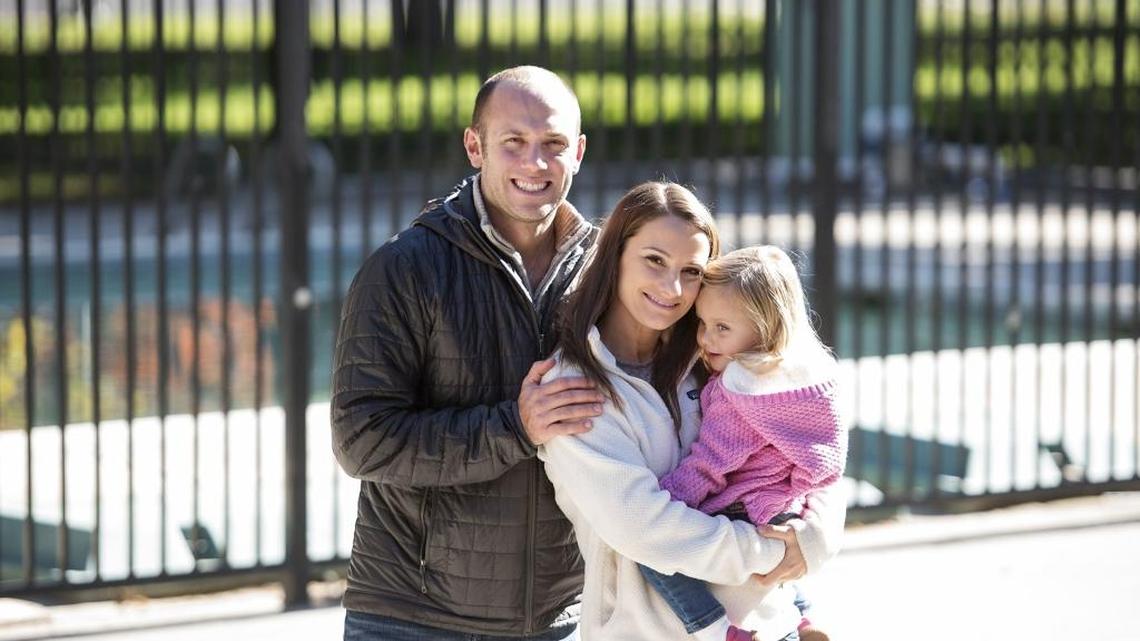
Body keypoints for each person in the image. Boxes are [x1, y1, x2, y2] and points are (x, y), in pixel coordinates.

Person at [331, 66, 608, 640]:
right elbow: (361, 440)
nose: (535, 163)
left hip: (562, 617)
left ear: (578, 152)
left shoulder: (606, 272)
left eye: (553, 145)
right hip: (413, 618)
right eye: (514, 143)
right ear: (475, 146)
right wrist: (515, 426)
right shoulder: (406, 268)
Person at [537, 182, 846, 641]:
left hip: (771, 626)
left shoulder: (721, 360)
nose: (672, 287)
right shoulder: (572, 389)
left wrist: (816, 537)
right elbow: (644, 527)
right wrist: (773, 551)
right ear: (615, 256)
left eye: (692, 271)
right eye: (654, 260)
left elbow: (809, 458)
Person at [638, 245, 848, 641]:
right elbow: (828, 464)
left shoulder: (742, 390)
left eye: (722, 328)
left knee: (651, 553)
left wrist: (665, 501)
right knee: (781, 567)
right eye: (703, 323)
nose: (705, 338)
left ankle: (718, 631)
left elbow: (711, 462)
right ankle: (806, 616)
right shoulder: (806, 379)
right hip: (788, 507)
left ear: (765, 327)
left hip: (744, 510)